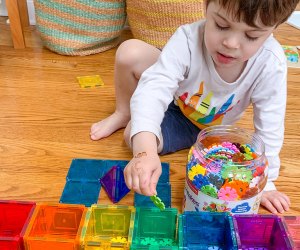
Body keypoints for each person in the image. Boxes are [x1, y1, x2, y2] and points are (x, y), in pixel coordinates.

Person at [90, 0, 299, 214]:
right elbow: (155, 87)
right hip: (176, 97)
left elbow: (270, 127)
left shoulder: (271, 63)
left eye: (252, 36)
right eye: (221, 25)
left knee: (131, 135)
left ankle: (140, 124)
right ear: (206, 6)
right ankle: (123, 112)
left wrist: (267, 182)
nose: (231, 43)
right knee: (129, 52)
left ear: (275, 27)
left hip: (203, 128)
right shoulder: (187, 38)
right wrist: (144, 153)